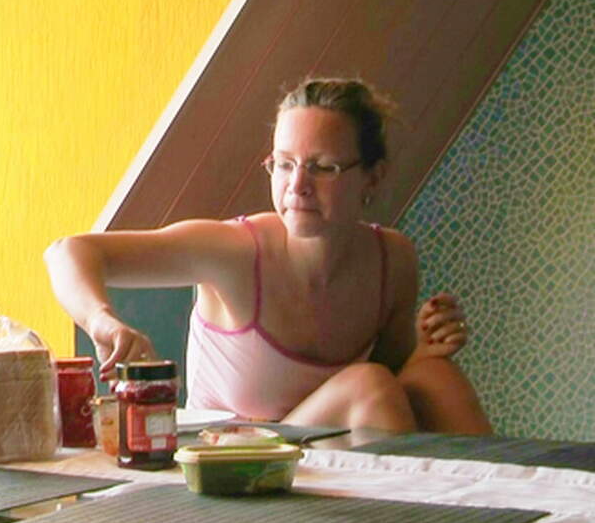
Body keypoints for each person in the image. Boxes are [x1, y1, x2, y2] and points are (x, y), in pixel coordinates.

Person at [44, 77, 492, 435]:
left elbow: (396, 380)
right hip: (229, 466)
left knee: (434, 378)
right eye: (284, 164)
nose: (298, 186)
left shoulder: (393, 260)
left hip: (328, 462)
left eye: (323, 167)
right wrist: (103, 321)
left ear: (372, 178)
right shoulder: (234, 252)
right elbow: (69, 251)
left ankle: (510, 507)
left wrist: (426, 349)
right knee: (367, 387)